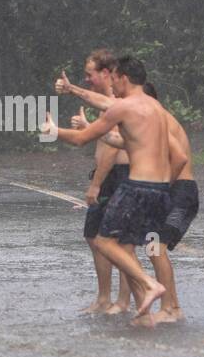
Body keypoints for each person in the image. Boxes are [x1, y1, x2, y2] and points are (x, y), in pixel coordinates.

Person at [42, 56, 171, 323]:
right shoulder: (155, 108)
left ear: (122, 78)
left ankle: (150, 285)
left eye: (114, 78)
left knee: (104, 242)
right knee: (125, 246)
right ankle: (143, 315)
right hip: (161, 188)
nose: (112, 85)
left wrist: (55, 131)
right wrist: (73, 90)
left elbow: (81, 139)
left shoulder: (123, 107)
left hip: (137, 186)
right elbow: (112, 122)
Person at [61, 75, 196, 324]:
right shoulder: (150, 121)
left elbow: (179, 159)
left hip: (179, 191)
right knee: (135, 245)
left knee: (155, 249)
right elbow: (115, 130)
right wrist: (88, 122)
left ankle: (172, 308)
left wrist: (165, 184)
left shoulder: (159, 119)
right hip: (168, 189)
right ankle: (152, 306)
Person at [76, 49, 132, 315]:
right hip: (108, 176)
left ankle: (122, 301)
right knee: (93, 236)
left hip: (117, 176)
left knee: (118, 240)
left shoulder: (117, 99)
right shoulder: (104, 101)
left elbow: (111, 149)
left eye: (90, 74)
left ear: (106, 73)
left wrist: (96, 184)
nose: (87, 79)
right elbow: (103, 138)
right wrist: (87, 126)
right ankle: (104, 298)